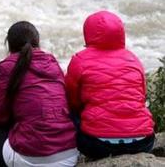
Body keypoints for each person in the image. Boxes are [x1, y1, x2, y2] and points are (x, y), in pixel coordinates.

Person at [0, 21, 78, 167]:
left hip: (32, 159)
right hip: (69, 155)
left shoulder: (8, 66)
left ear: (9, 45)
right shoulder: (52, 62)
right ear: (37, 42)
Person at [65, 10, 155, 160]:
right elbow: (141, 96)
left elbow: (71, 100)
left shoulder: (79, 60)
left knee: (69, 112)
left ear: (88, 33)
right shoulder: (134, 59)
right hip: (143, 142)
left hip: (97, 145)